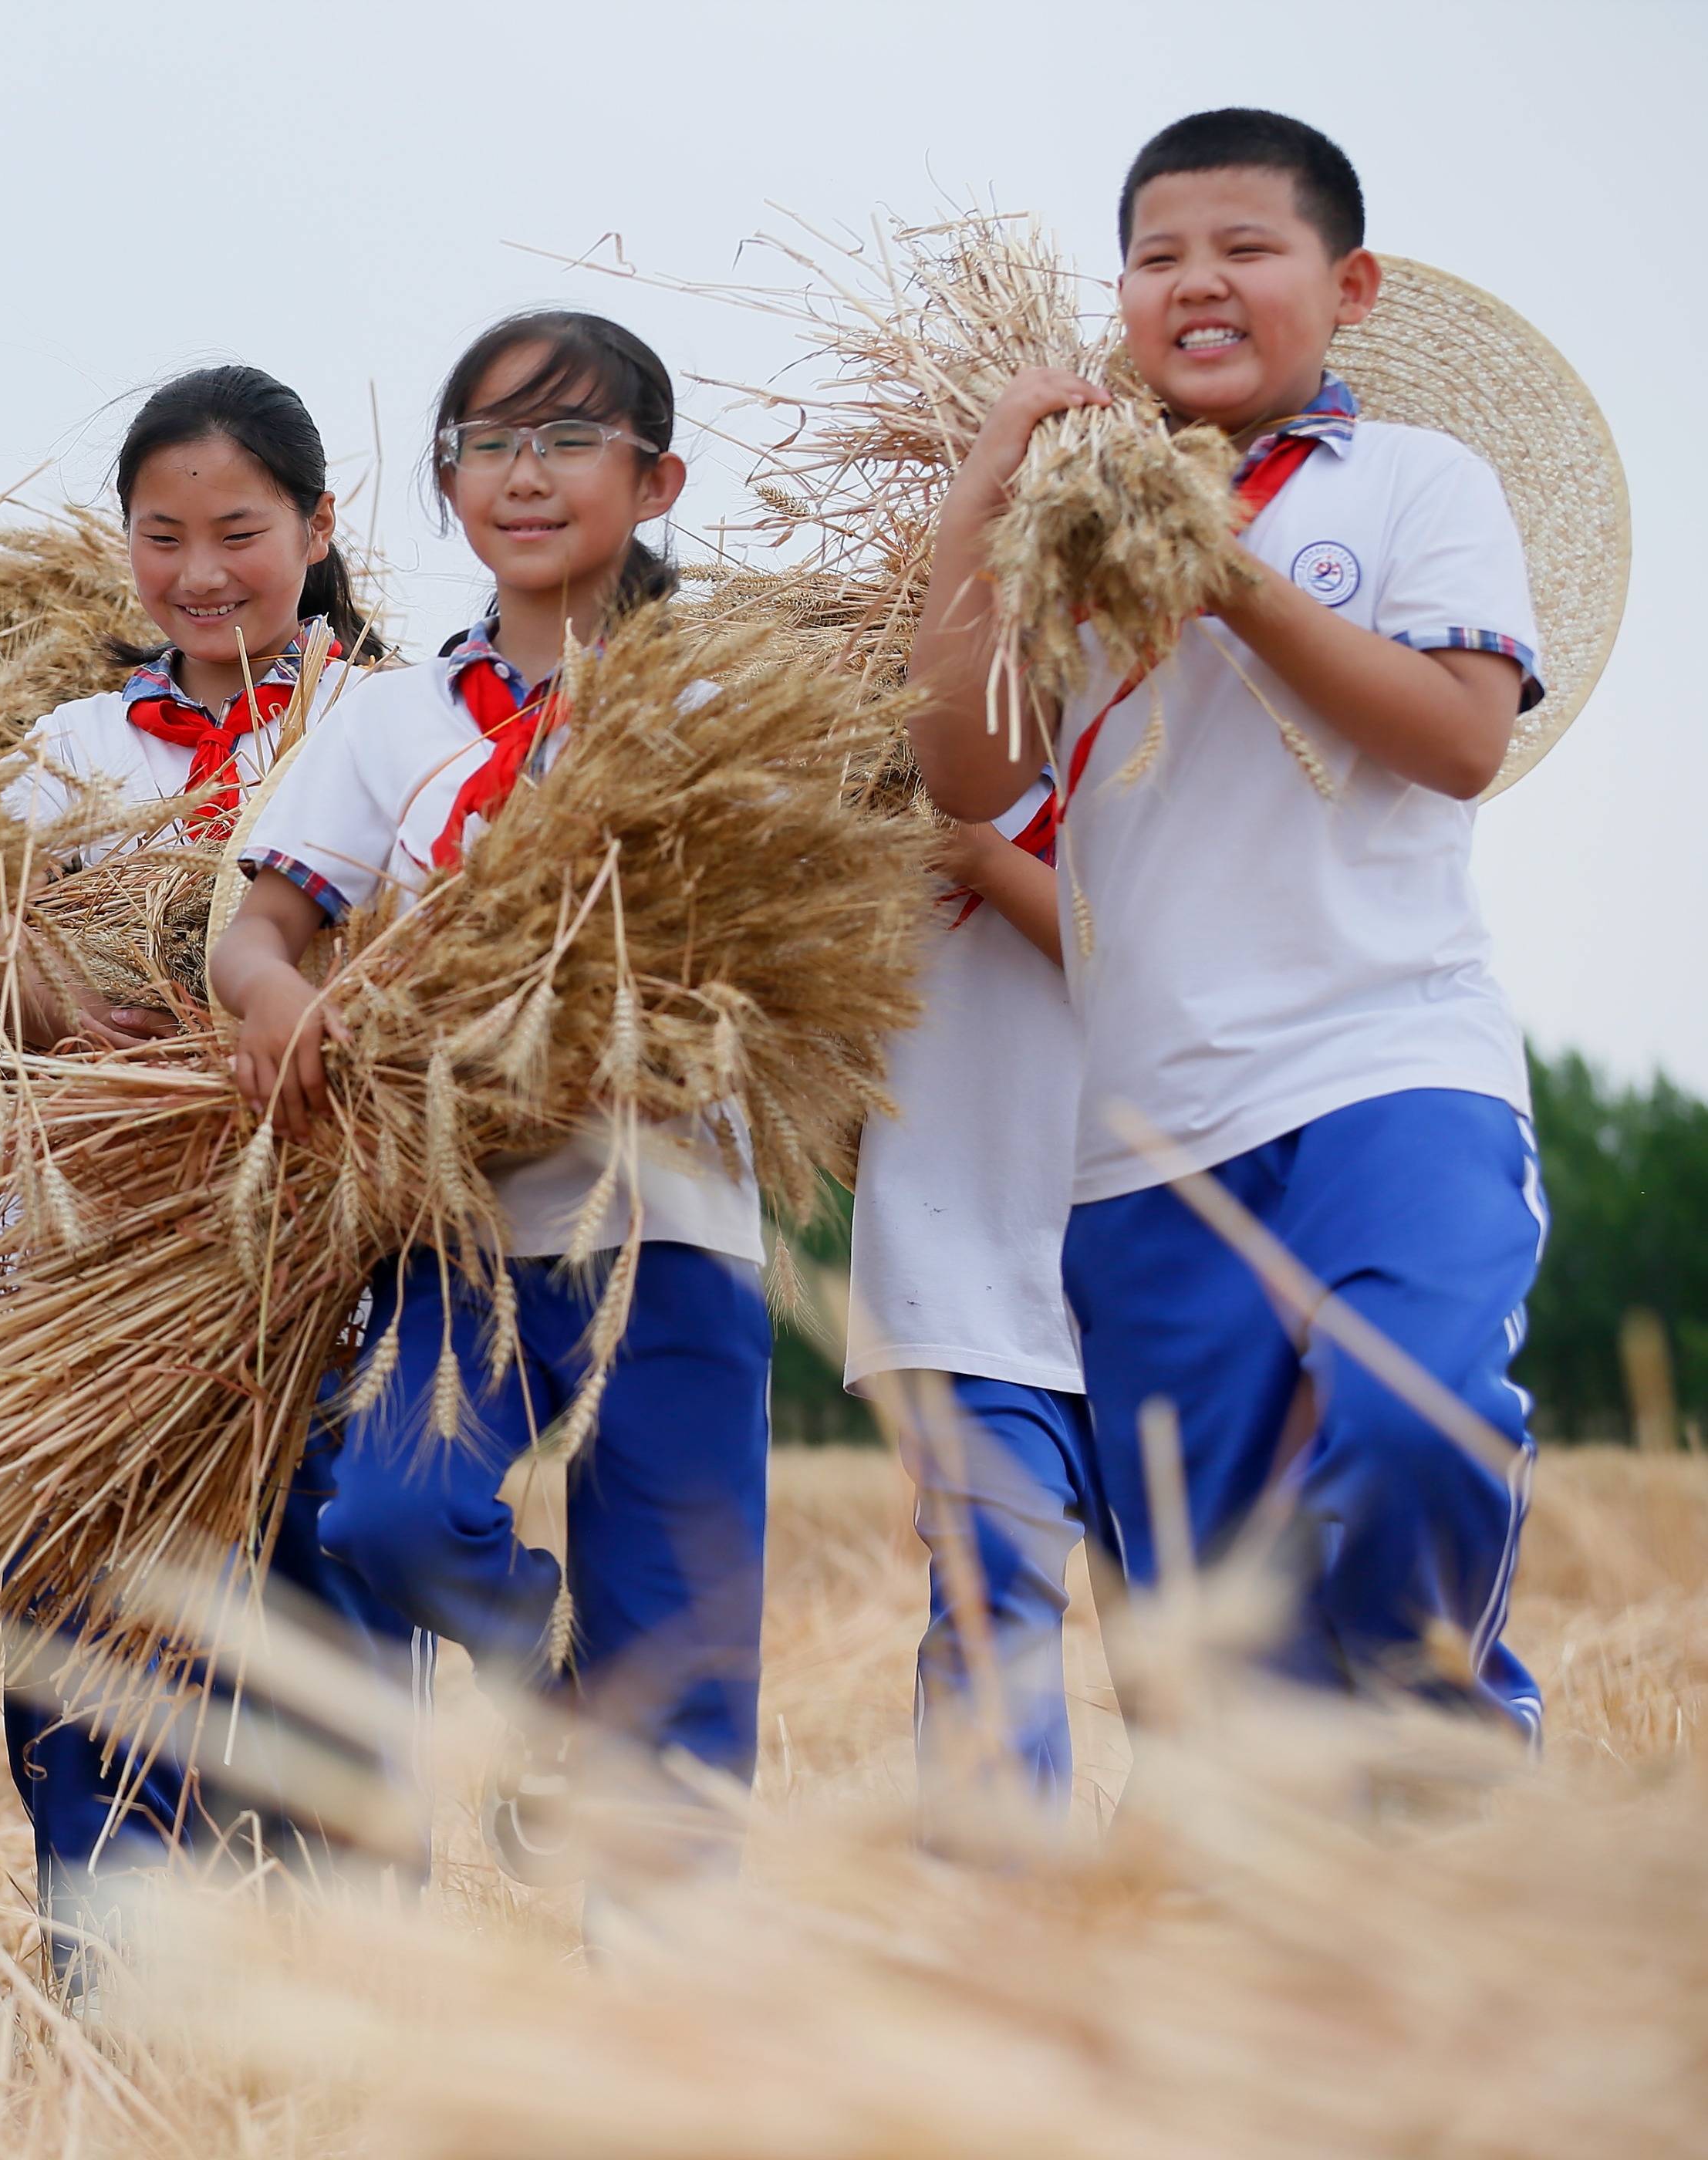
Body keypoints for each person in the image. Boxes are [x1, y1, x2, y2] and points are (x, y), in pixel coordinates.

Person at [906, 109, 1547, 1732]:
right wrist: (989, 487)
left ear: (1350, 286)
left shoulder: (1416, 481)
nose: (1197, 282)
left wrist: (1231, 578)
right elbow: (966, 770)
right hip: (1146, 1145)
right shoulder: (1064, 526)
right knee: (1216, 1641)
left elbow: (1465, 738)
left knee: (1416, 1419)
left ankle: (1451, 1739)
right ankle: (1328, 1893)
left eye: (1245, 249)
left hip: (1389, 1068)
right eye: (1158, 257)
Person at [208, 312, 775, 1874]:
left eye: (567, 438)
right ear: (447, 480)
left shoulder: (727, 699)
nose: (524, 476)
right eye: (488, 444)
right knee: (389, 1511)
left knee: (689, 1655)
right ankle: (560, 1699)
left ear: (656, 479)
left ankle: (671, 2033)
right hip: (458, 1221)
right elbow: (260, 926)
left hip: (670, 1219)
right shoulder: (392, 718)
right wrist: (287, 1001)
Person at [0, 364, 414, 1974]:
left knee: (325, 1634)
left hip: (333, 1254)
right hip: (105, 1260)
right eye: (161, 537)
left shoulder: (394, 719)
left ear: (317, 527)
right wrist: (62, 993)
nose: (199, 572)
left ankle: (347, 1999)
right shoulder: (68, 747)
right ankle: (109, 1992)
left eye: (237, 531)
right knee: (99, 1628)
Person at [845, 786, 1110, 1824]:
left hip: (1167, 1254)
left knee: (1195, 1652)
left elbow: (1168, 976)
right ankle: (995, 1942)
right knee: (991, 1604)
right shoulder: (875, 760)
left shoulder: (1187, 736)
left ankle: (1194, 1953)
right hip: (953, 1257)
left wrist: (989, 862)